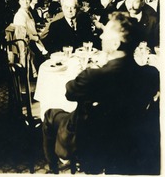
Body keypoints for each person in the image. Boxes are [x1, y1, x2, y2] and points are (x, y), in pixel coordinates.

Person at [42, 12, 159, 174]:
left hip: (91, 141)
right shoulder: (151, 74)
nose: (102, 35)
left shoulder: (93, 76)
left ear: (116, 44)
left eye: (106, 33)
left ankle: (53, 168)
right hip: (129, 140)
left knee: (50, 114)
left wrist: (93, 69)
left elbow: (69, 91)